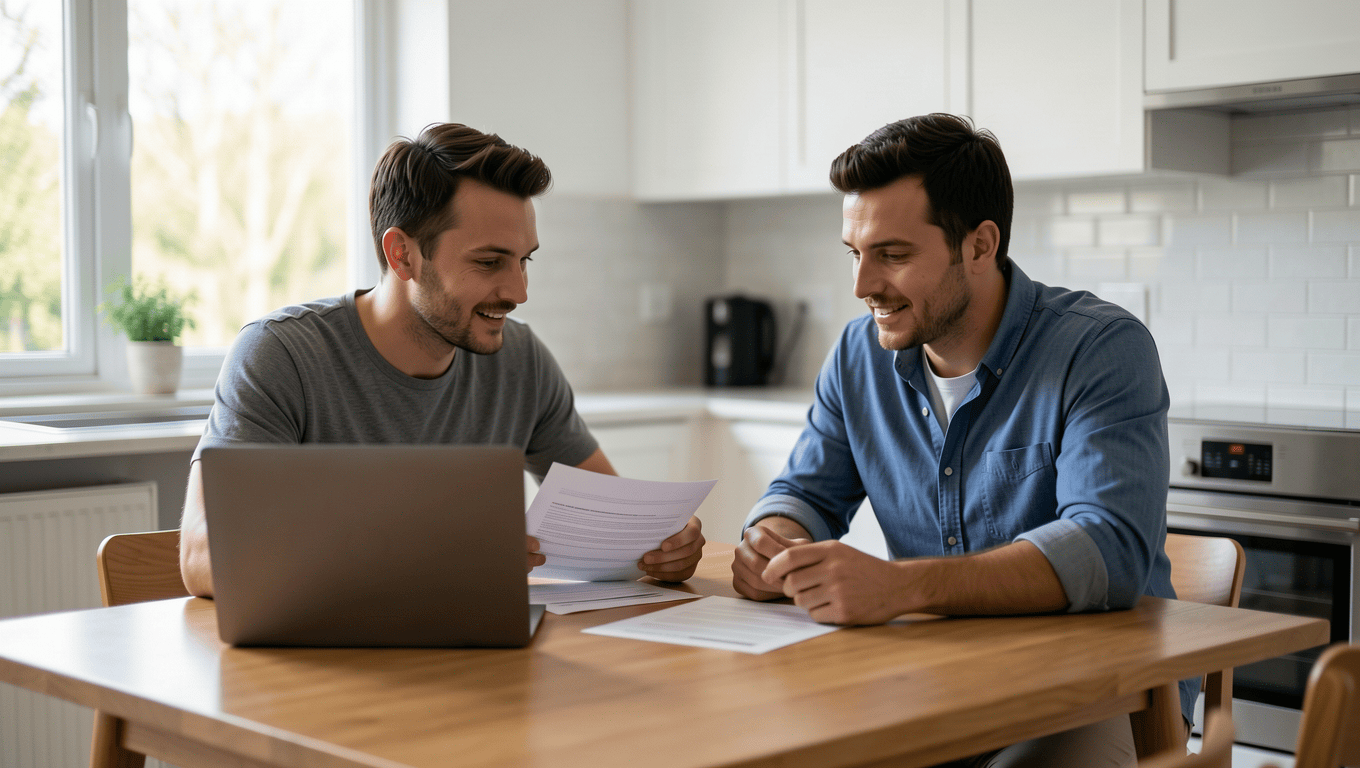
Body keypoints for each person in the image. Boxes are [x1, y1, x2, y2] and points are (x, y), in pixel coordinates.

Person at [730, 113, 1193, 766]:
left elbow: (1108, 549)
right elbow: (804, 493)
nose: (863, 285)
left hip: (1104, 686)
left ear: (979, 245)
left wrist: (903, 588)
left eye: (892, 255)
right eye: (855, 254)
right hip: (938, 678)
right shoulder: (857, 356)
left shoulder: (1099, 348)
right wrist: (774, 537)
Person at [180, 122, 704, 598]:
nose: (519, 292)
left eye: (524, 262)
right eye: (489, 261)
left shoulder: (521, 361)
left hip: (469, 670)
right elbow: (201, 555)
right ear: (402, 254)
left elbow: (615, 520)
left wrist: (660, 549)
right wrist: (420, 555)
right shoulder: (281, 356)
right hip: (316, 677)